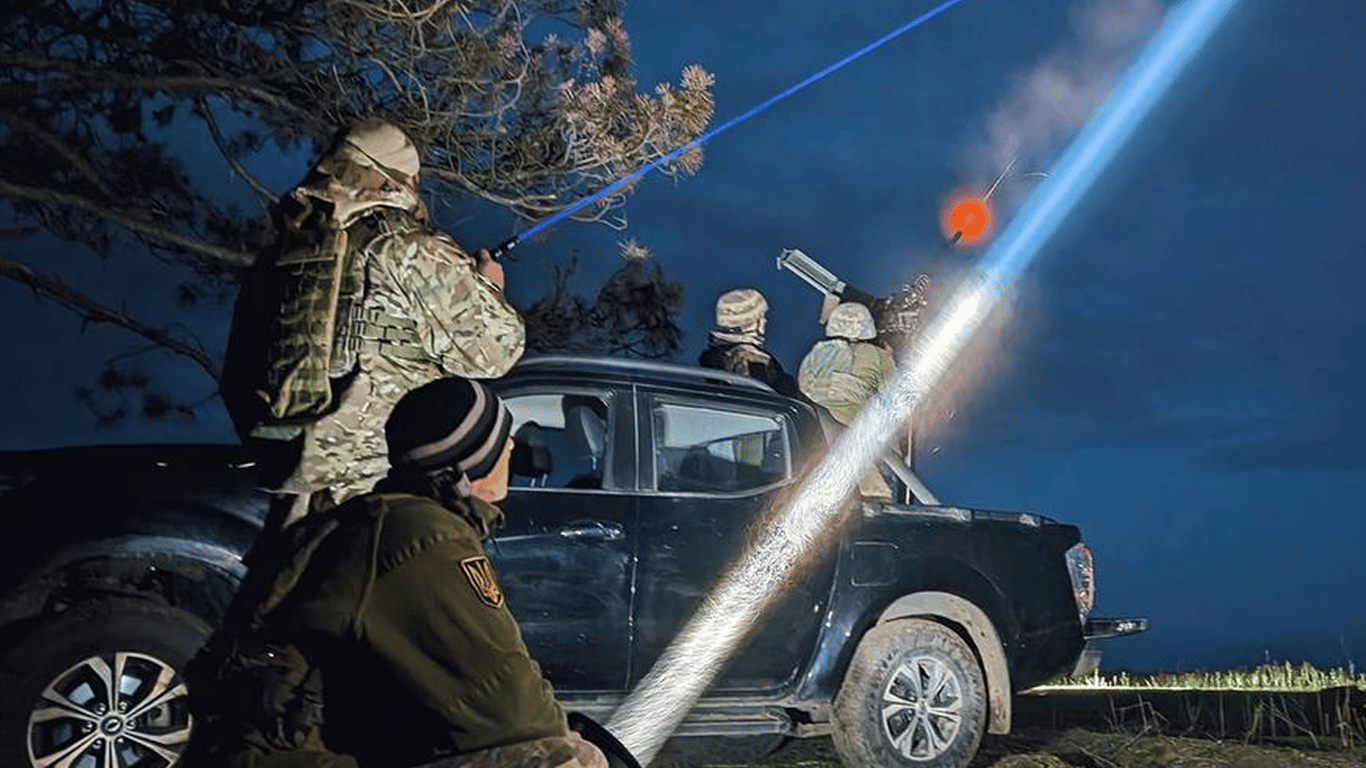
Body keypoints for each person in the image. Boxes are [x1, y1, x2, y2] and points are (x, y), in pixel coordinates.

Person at [183, 376, 608, 768]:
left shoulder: (374, 519)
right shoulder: (422, 536)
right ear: (472, 461)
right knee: (563, 759)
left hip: (257, 749)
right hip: (284, 757)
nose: (513, 447)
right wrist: (568, 737)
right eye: (502, 439)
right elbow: (508, 708)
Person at [222, 118, 525, 525]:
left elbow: (236, 380)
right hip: (379, 494)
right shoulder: (405, 247)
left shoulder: (276, 260)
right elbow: (497, 352)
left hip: (291, 489)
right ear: (398, 180)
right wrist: (488, 288)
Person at [797, 301, 897, 502]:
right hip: (861, 442)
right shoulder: (877, 355)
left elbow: (801, 390)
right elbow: (896, 397)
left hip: (815, 439)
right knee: (878, 498)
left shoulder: (817, 353)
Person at [697, 288, 801, 398]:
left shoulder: (716, 355)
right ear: (749, 323)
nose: (765, 321)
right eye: (761, 316)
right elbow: (759, 400)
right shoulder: (751, 358)